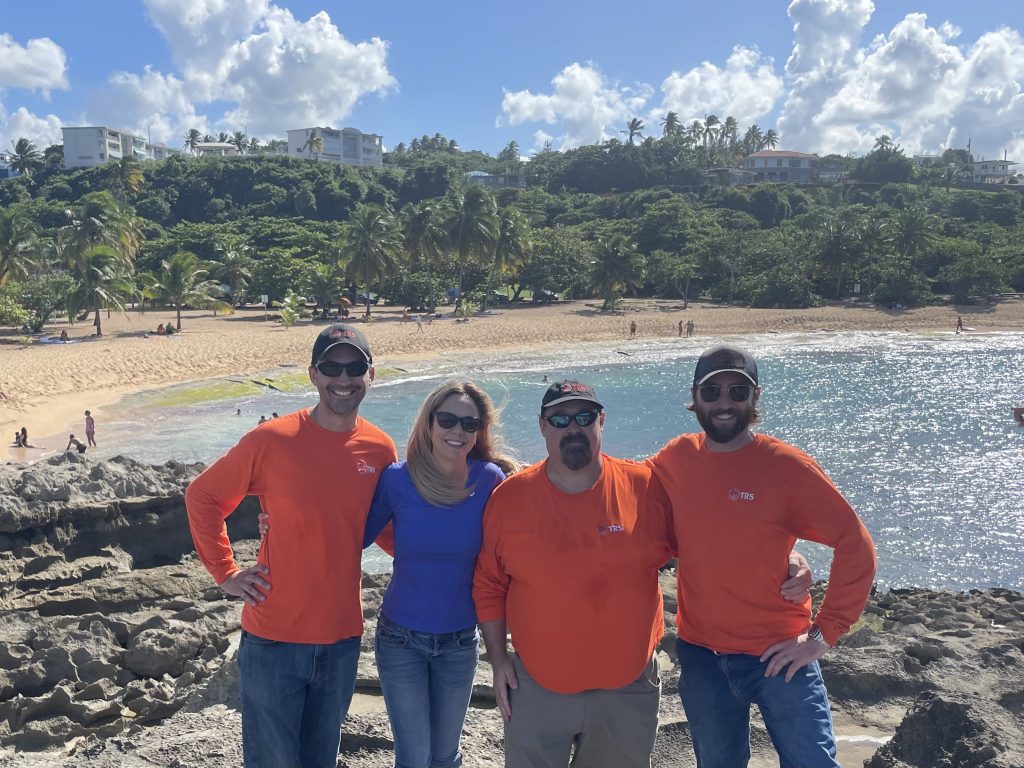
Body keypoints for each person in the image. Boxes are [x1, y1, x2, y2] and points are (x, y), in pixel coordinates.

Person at [473, 380, 811, 768]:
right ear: (543, 426)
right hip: (536, 688)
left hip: (627, 690)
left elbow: (712, 540)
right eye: (560, 418)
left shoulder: (645, 486)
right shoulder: (509, 499)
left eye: (584, 417)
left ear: (601, 421)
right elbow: (488, 585)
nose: (573, 428)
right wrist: (499, 659)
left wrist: (787, 553)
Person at [648, 344, 877, 768]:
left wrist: (823, 635)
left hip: (781, 655)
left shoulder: (786, 466)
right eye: (712, 391)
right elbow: (626, 498)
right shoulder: (676, 458)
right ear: (695, 396)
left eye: (738, 390)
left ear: (755, 397)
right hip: (702, 657)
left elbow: (855, 543)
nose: (724, 402)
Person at [185, 324, 397, 768]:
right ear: (313, 375)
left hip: (342, 637)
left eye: (354, 367)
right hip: (274, 638)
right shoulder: (271, 439)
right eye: (331, 368)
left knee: (322, 759)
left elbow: (388, 531)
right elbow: (203, 496)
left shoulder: (379, 449)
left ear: (371, 374)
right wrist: (227, 573)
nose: (344, 379)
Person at [347, 381, 520, 768]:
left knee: (445, 757)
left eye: (468, 424)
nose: (457, 431)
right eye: (448, 420)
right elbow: (351, 537)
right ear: (429, 423)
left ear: (479, 431)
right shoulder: (397, 479)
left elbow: (517, 552)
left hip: (460, 642)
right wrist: (281, 520)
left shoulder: (490, 481)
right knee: (413, 758)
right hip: (401, 640)